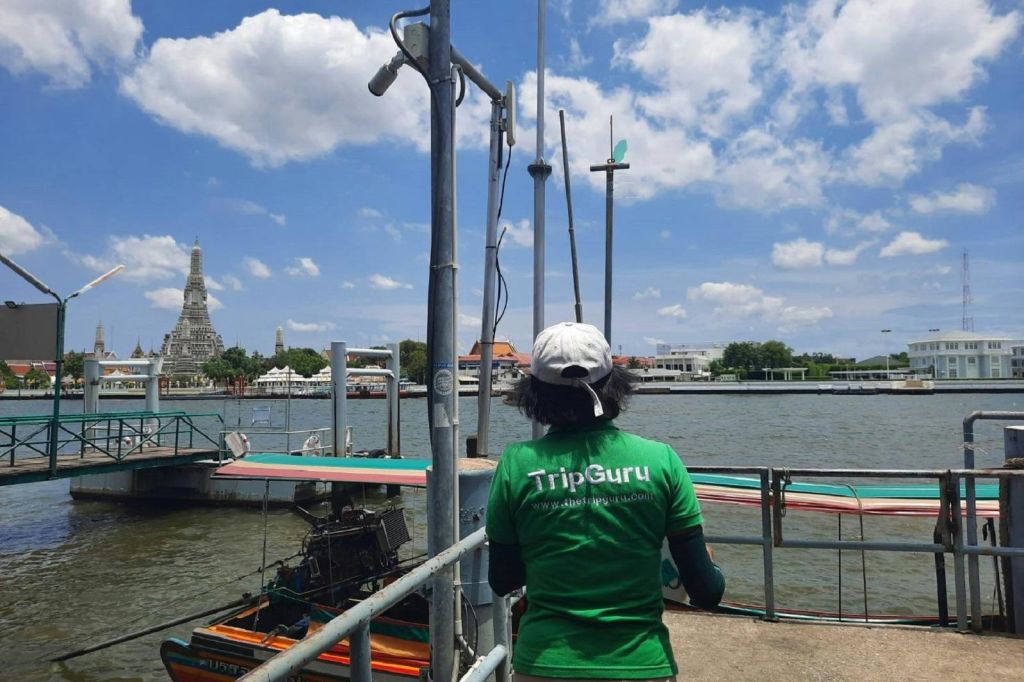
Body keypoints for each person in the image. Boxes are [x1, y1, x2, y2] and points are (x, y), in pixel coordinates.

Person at [486, 322, 724, 681]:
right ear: (615, 384)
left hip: (545, 663)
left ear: (534, 393)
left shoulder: (516, 464)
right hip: (642, 665)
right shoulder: (661, 460)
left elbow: (504, 580)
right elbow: (707, 592)